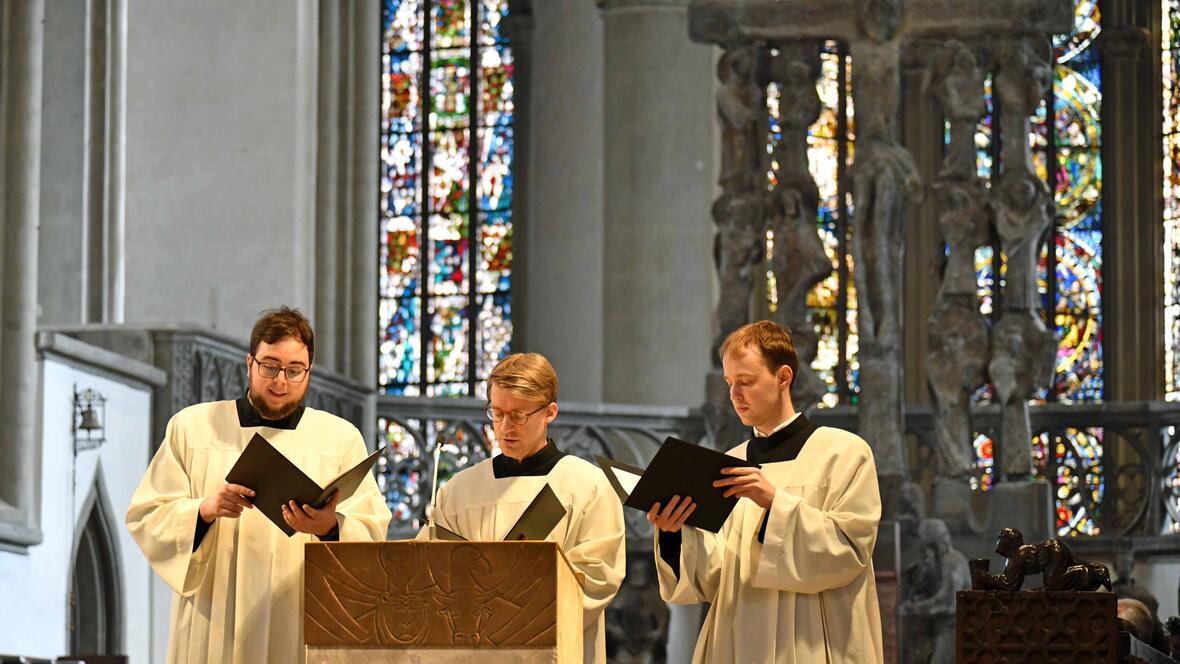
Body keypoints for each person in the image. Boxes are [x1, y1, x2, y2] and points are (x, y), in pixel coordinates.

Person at [126, 306, 392, 663]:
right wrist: (203, 510)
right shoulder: (192, 427)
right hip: (214, 615)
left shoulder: (339, 439)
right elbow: (146, 515)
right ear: (249, 363)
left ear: (309, 372)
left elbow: (373, 531)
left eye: (294, 370)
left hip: (298, 615)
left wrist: (330, 527)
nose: (281, 381)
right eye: (270, 366)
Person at [648, 320, 883, 662]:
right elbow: (712, 578)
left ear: (783, 377)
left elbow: (849, 552)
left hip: (812, 642)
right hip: (737, 641)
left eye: (745, 381)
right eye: (729, 383)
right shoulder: (727, 464)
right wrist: (674, 534)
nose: (734, 395)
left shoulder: (843, 453)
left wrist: (774, 503)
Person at [421, 352, 625, 663]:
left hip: (554, 650)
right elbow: (428, 572)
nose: (505, 427)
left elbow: (598, 577)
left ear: (549, 412)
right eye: (497, 413)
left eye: (518, 415)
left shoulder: (587, 485)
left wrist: (515, 606)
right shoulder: (459, 491)